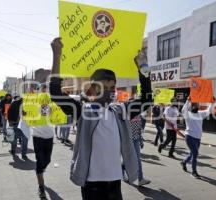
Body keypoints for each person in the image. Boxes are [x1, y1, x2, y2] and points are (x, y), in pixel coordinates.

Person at [49, 38, 152, 200]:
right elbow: (55, 92)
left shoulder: (120, 111)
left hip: (115, 182)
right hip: (92, 185)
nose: (110, 91)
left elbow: (147, 99)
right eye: (105, 87)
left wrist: (143, 67)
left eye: (113, 87)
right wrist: (57, 55)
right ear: (95, 88)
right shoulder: (83, 111)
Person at [27, 84, 55, 199]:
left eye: (46, 90)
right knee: (40, 161)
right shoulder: (33, 102)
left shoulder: (52, 102)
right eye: (42, 90)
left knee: (47, 160)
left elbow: (57, 114)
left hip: (49, 135)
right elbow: (26, 112)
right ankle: (41, 188)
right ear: (38, 91)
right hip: (37, 136)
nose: (44, 91)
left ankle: (41, 169)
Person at [180, 97, 215, 178]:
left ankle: (184, 162)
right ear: (191, 106)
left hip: (198, 138)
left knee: (192, 154)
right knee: (195, 154)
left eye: (197, 105)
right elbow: (183, 110)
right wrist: (188, 100)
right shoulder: (187, 114)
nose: (196, 106)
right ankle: (194, 172)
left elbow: (208, 110)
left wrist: (212, 102)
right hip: (189, 137)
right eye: (194, 105)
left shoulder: (200, 113)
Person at [8, 96, 28, 160]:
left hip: (25, 125)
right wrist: (10, 121)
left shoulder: (31, 106)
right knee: (14, 139)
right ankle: (13, 149)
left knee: (25, 140)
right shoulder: (15, 103)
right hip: (16, 123)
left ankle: (24, 154)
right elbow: (9, 111)